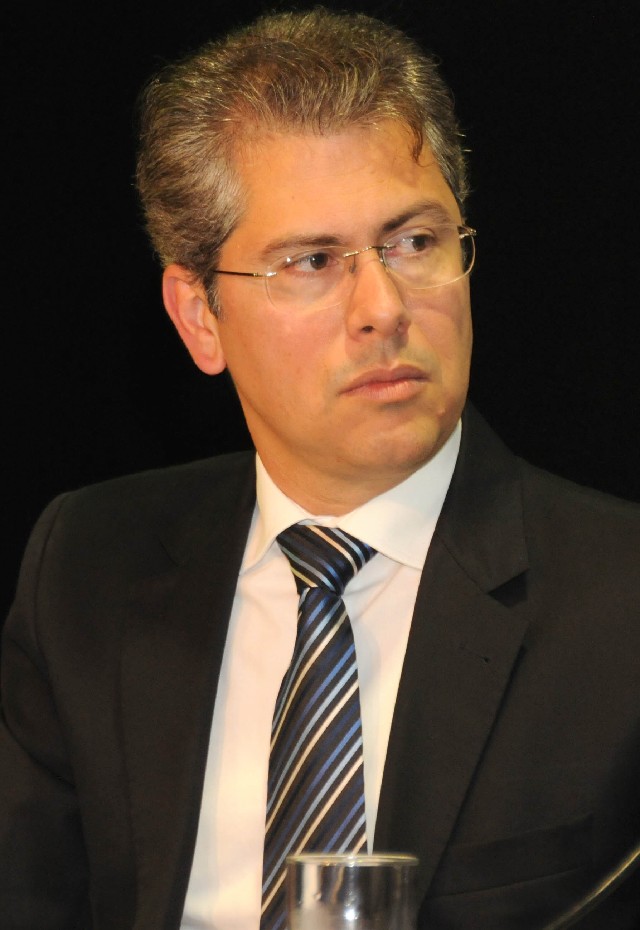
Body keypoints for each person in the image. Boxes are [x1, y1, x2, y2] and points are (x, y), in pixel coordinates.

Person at [1, 7, 639, 929]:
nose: (383, 306)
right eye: (312, 260)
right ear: (201, 316)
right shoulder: (87, 568)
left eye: (414, 242)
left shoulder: (620, 601)